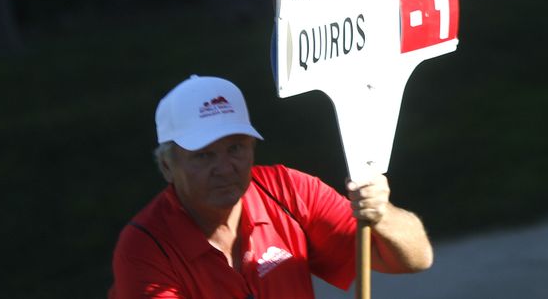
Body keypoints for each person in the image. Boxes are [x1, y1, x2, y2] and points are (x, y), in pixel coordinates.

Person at [110, 74, 433, 298]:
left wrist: (382, 215)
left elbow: (416, 259)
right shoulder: (145, 246)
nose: (224, 168)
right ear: (167, 166)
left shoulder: (289, 190)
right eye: (204, 155)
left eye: (235, 147)